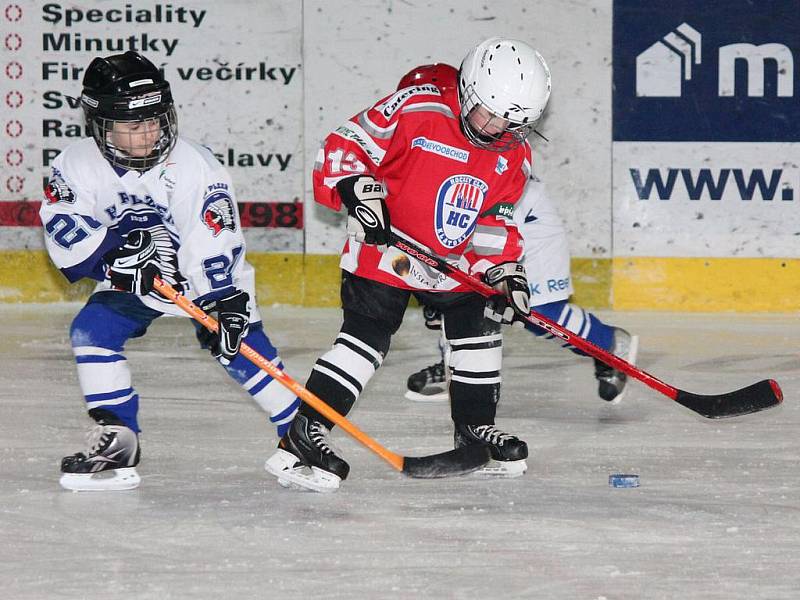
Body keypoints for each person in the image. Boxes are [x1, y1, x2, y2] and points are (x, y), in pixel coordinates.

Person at [264, 38, 551, 492]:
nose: (497, 127)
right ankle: (306, 432)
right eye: (488, 113)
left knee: (478, 324)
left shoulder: (513, 153)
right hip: (388, 251)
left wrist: (505, 272)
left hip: (449, 261)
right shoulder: (418, 108)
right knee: (366, 339)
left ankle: (474, 427)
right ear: (466, 90)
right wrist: (358, 190)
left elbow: (494, 221)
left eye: (512, 122)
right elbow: (345, 146)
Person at [41, 51, 300, 491]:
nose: (148, 134)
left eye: (155, 120)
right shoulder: (73, 165)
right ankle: (118, 446)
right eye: (133, 125)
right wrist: (113, 260)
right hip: (133, 276)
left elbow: (212, 234)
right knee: (93, 329)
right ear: (100, 125)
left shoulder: (195, 165)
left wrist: (221, 297)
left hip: (202, 276)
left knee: (236, 347)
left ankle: (298, 435)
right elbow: (64, 224)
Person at [400, 64, 638, 404]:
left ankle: (609, 343)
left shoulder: (474, 142)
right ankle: (455, 365)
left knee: (537, 315)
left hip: (527, 228)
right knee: (457, 299)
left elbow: (476, 225)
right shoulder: (430, 140)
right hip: (489, 232)